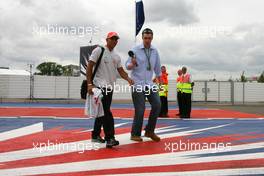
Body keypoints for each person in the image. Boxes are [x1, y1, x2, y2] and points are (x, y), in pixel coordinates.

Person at [87, 32, 134, 148]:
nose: (114, 41)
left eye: (116, 39)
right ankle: (110, 138)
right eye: (112, 39)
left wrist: (128, 78)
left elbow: (121, 70)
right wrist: (89, 84)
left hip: (109, 87)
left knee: (101, 111)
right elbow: (90, 66)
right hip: (99, 86)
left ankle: (95, 135)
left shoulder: (116, 56)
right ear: (107, 39)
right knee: (106, 111)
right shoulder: (99, 50)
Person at [126, 28, 162, 142]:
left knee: (157, 105)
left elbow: (157, 68)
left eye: (149, 38)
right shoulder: (135, 49)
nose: (147, 40)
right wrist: (132, 63)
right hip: (137, 84)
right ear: (142, 38)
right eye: (145, 38)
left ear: (152, 38)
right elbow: (127, 66)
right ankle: (135, 133)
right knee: (140, 109)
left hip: (149, 84)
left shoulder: (155, 51)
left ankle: (149, 131)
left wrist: (160, 82)